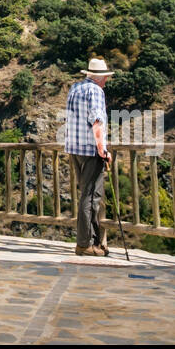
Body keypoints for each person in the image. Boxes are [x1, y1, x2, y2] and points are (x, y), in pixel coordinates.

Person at [65, 57, 113, 256]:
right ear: (100, 77)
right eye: (105, 77)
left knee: (87, 194)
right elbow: (96, 121)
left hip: (74, 148)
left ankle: (92, 240)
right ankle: (84, 244)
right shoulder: (96, 91)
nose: (106, 81)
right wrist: (103, 150)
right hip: (90, 150)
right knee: (91, 196)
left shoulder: (75, 88)